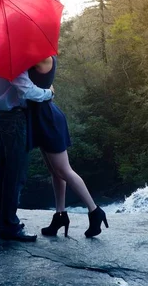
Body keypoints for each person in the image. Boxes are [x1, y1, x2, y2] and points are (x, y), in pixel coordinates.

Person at [27, 55, 108, 238]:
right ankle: (60, 215)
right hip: (41, 119)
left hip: (48, 118)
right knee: (55, 172)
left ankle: (95, 211)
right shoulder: (36, 55)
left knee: (64, 170)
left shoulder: (41, 57)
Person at [0, 70, 55, 242]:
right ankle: (9, 225)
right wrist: (49, 93)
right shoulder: (13, 62)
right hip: (14, 118)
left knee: (3, 171)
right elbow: (27, 90)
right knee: (16, 173)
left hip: (1, 116)